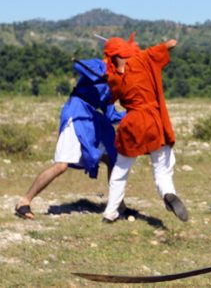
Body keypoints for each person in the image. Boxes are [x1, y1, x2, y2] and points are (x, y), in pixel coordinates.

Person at [14, 59, 124, 220]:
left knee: (110, 159)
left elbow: (111, 114)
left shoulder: (114, 85)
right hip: (76, 114)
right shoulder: (100, 66)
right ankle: (24, 201)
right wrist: (104, 75)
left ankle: (119, 206)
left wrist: (135, 114)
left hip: (91, 121)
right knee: (61, 165)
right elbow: (78, 65)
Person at [101, 33, 188, 223]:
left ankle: (110, 212)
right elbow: (167, 45)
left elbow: (110, 97)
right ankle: (168, 193)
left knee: (121, 168)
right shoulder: (144, 58)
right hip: (154, 120)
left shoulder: (114, 77)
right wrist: (169, 43)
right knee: (162, 166)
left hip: (132, 122)